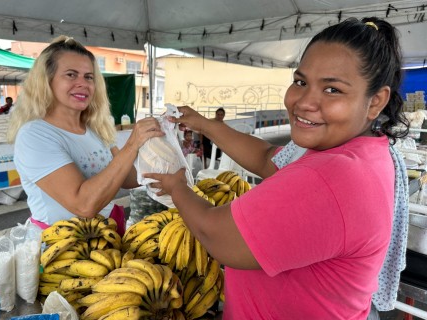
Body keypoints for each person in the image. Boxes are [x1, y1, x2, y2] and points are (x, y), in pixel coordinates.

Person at [145, 17, 410, 319]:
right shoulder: (361, 151)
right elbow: (267, 157)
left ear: (375, 101)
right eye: (300, 82)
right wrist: (205, 125)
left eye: (332, 90)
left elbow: (215, 234)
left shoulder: (335, 176)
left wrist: (176, 185)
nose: (304, 102)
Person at [7, 35, 163, 235]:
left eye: (89, 77)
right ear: (47, 81)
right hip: (61, 248)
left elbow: (128, 177)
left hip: (103, 237)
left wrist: (162, 157)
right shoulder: (35, 135)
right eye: (71, 75)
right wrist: (133, 144)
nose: (83, 84)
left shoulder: (95, 128)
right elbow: (84, 205)